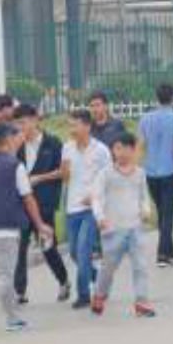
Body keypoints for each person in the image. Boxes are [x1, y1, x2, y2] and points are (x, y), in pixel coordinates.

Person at [0, 123, 53, 332]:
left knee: (1, 274)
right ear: (6, 140)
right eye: (15, 136)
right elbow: (28, 198)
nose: (18, 139)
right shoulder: (15, 166)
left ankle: (13, 318)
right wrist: (40, 224)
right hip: (7, 229)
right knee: (4, 276)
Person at [88, 133, 155, 318]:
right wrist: (100, 217)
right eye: (117, 148)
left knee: (140, 265)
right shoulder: (106, 173)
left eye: (126, 148)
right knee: (108, 268)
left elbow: (144, 197)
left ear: (133, 150)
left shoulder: (140, 173)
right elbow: (96, 197)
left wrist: (146, 210)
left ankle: (142, 301)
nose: (121, 152)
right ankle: (100, 295)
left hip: (136, 227)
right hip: (112, 228)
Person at [12, 104, 69, 304]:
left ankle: (63, 280)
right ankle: (20, 291)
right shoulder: (15, 145)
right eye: (17, 123)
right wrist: (13, 147)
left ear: (35, 120)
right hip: (21, 203)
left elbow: (62, 172)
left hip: (44, 203)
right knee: (20, 246)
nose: (21, 127)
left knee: (47, 246)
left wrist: (39, 178)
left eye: (23, 122)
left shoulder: (53, 143)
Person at [60, 109, 112, 310]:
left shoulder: (101, 150)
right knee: (74, 252)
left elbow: (109, 177)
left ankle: (83, 295)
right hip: (71, 207)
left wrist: (96, 197)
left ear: (87, 126)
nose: (71, 129)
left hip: (92, 208)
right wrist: (64, 170)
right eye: (69, 125)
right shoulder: (67, 148)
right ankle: (100, 278)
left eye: (75, 124)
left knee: (83, 249)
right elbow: (65, 178)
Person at [138, 83, 173, 267]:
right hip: (170, 171)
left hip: (151, 172)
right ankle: (162, 254)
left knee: (162, 211)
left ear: (156, 97)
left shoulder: (145, 118)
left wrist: (137, 167)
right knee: (167, 214)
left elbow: (141, 144)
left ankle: (170, 249)